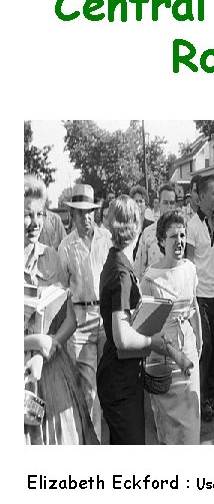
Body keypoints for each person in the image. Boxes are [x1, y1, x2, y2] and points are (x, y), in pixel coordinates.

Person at [24, 175, 98, 445]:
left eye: (39, 214)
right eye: (26, 215)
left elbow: (69, 320)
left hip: (53, 368)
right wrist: (34, 343)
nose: (34, 223)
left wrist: (49, 347)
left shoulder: (52, 257)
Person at [96, 196, 168, 445]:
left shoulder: (117, 262)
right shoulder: (121, 272)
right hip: (120, 377)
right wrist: (153, 341)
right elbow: (122, 338)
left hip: (121, 374)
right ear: (137, 227)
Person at [140, 210, 202, 444]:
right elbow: (146, 328)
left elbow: (194, 305)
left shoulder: (189, 269)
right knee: (170, 432)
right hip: (163, 357)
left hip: (189, 354)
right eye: (173, 236)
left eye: (183, 235)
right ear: (161, 241)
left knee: (191, 428)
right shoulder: (150, 278)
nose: (179, 241)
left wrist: (199, 341)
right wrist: (174, 354)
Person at [58, 183, 113, 441]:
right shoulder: (65, 247)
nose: (86, 217)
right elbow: (60, 292)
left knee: (110, 384)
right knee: (89, 392)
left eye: (89, 211)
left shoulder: (106, 238)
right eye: (80, 212)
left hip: (106, 317)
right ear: (72, 214)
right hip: (80, 322)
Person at [186, 174, 214, 422]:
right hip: (199, 295)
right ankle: (202, 400)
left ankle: (209, 394)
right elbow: (190, 263)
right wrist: (190, 298)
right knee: (206, 345)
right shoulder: (192, 225)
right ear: (201, 197)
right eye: (213, 193)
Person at [134, 183, 177, 279]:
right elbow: (138, 268)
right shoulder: (148, 232)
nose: (169, 206)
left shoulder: (181, 234)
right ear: (159, 203)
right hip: (152, 289)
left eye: (172, 203)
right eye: (165, 203)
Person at [130, 185, 154, 259]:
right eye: (135, 201)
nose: (138, 204)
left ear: (146, 205)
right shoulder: (127, 227)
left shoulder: (152, 226)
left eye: (141, 201)